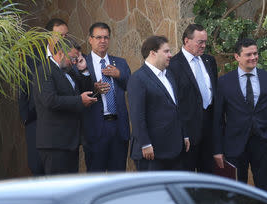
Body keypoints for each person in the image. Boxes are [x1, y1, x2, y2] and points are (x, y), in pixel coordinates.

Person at [213, 38, 267, 193]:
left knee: (264, 191)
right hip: (234, 146)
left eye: (255, 53)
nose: (253, 57)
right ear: (237, 57)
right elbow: (217, 118)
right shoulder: (224, 82)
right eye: (248, 54)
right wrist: (218, 149)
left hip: (263, 143)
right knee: (236, 192)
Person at [34, 38, 97, 175]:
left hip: (70, 142)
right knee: (57, 189)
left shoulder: (69, 71)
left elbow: (85, 92)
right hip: (54, 143)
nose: (74, 62)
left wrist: (84, 70)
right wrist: (79, 101)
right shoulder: (45, 71)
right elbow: (50, 101)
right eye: (73, 58)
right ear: (61, 53)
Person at [127, 36, 190, 171]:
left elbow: (176, 108)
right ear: (152, 53)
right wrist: (145, 144)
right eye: (166, 51)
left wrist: (183, 134)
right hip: (152, 153)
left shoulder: (169, 75)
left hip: (174, 150)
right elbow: (137, 115)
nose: (170, 55)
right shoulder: (138, 78)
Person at [18, 18, 68, 175]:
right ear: (48, 36)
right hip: (36, 121)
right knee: (37, 167)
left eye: (66, 35)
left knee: (59, 170)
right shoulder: (31, 57)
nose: (64, 39)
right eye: (60, 35)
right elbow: (23, 88)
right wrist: (26, 117)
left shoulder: (69, 57)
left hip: (60, 121)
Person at [168, 24, 217, 173]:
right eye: (200, 42)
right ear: (186, 41)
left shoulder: (209, 60)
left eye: (205, 42)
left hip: (209, 133)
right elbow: (174, 103)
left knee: (208, 181)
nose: (203, 46)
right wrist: (182, 133)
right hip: (188, 135)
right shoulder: (173, 65)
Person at [82, 22, 131, 172]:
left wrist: (119, 75)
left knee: (118, 177)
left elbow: (132, 86)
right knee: (95, 177)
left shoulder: (120, 63)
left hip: (118, 127)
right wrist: (94, 89)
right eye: (98, 37)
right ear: (90, 39)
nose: (102, 41)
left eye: (106, 37)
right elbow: (77, 91)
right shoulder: (83, 63)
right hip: (96, 128)